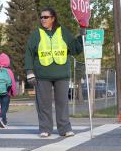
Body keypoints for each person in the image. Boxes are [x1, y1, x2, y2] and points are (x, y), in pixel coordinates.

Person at [24, 7, 84, 138]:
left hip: (61, 75)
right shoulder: (36, 34)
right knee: (43, 104)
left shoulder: (63, 32)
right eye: (41, 17)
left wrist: (82, 36)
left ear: (53, 18)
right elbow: (28, 53)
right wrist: (29, 72)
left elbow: (75, 48)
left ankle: (65, 129)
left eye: (45, 17)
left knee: (62, 103)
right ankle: (45, 129)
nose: (43, 19)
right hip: (42, 76)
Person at [0, 53, 17, 128]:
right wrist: (13, 92)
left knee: (2, 106)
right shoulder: (9, 71)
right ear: (8, 61)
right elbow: (12, 82)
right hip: (7, 92)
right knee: (5, 107)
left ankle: (4, 122)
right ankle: (0, 117)